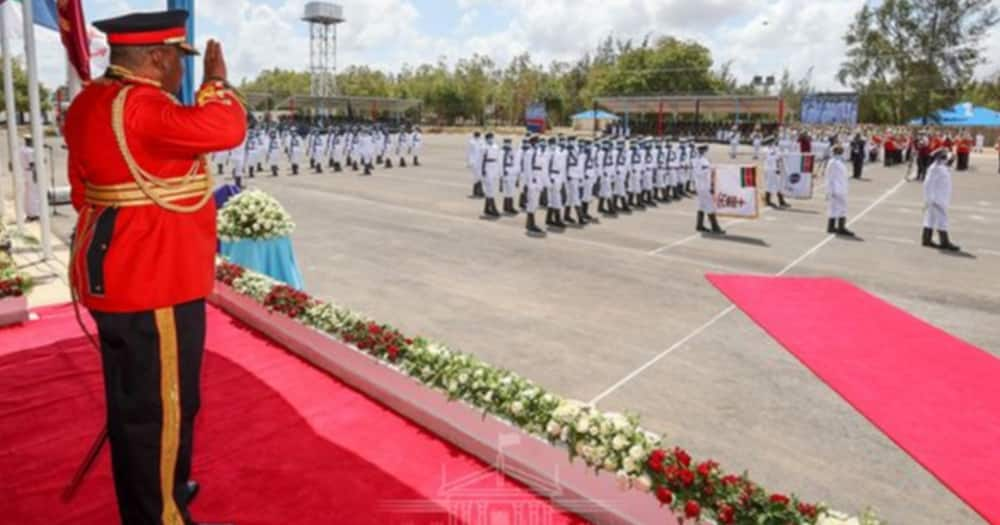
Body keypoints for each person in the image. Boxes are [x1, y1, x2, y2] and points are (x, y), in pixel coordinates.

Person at [65, 10, 245, 525]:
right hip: (156, 284)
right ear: (157, 57)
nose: (181, 73)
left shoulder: (88, 104)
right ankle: (161, 512)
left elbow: (83, 193)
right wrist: (216, 84)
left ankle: (160, 485)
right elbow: (227, 127)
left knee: (134, 405)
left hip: (117, 279)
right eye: (178, 62)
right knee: (164, 408)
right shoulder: (140, 107)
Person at [922, 148, 960, 251]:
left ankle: (926, 239)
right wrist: (929, 198)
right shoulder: (936, 168)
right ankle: (945, 242)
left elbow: (950, 161)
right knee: (942, 220)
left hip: (938, 198)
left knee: (930, 218)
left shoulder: (940, 167)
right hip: (937, 199)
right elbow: (927, 184)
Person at [693, 144, 725, 234]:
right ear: (703, 150)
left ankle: (699, 225)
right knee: (710, 205)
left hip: (699, 185)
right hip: (704, 186)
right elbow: (705, 173)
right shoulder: (703, 161)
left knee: (701, 205)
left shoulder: (695, 159)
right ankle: (715, 227)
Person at [824, 145, 854, 236]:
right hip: (836, 189)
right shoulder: (833, 162)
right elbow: (829, 178)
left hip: (841, 188)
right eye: (841, 151)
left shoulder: (839, 162)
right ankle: (840, 227)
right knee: (841, 208)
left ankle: (831, 226)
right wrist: (829, 190)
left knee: (835, 208)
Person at [480, 132, 501, 218]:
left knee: (491, 189)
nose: (491, 139)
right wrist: (483, 170)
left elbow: (498, 158)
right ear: (486, 138)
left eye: (492, 137)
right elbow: (482, 159)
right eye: (489, 137)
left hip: (494, 167)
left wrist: (498, 170)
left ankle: (486, 209)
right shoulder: (484, 147)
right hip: (487, 168)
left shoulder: (496, 146)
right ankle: (493, 209)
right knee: (490, 189)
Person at [20, 135, 41, 221]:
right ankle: (34, 214)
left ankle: (28, 212)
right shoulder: (30, 151)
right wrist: (35, 174)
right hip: (31, 172)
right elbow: (32, 164)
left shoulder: (22, 149)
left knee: (28, 194)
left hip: (25, 172)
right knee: (34, 193)